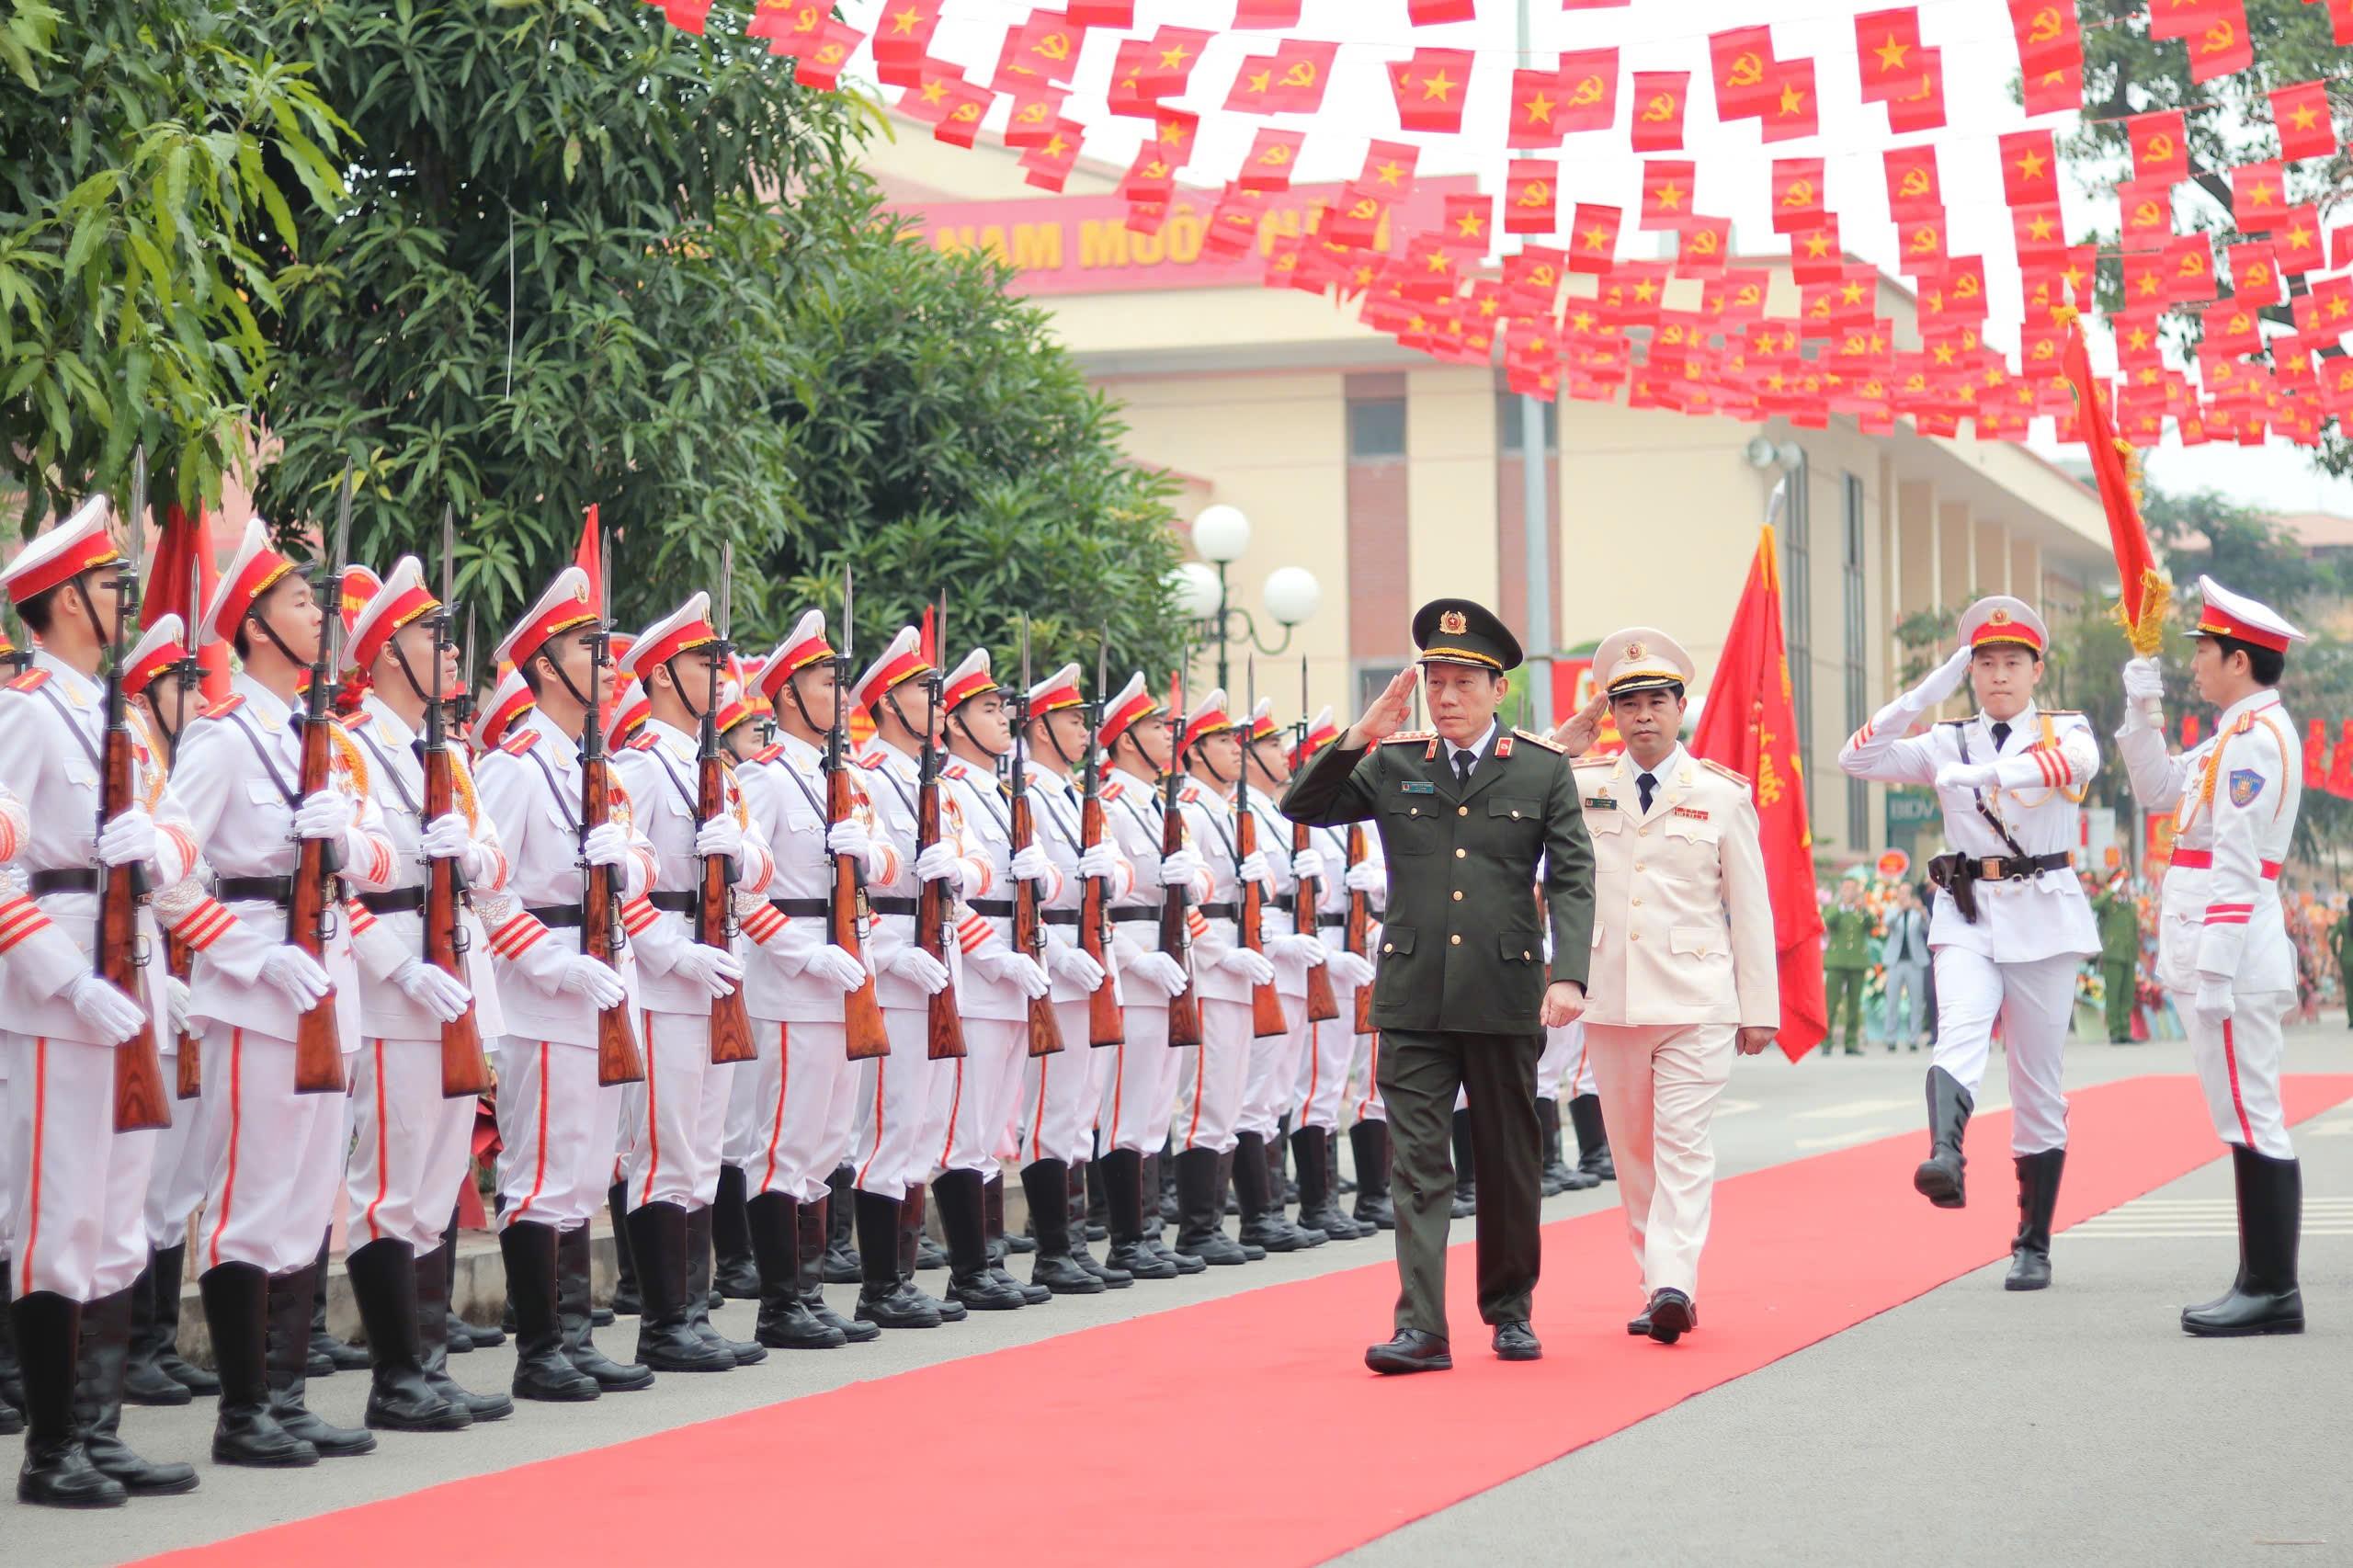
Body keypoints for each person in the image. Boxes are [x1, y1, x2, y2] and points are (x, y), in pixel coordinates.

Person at [1282, 598, 1594, 1373]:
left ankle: (1510, 1311)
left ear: (1497, 689)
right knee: (1418, 1166)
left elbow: (1572, 878)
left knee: (1507, 1160)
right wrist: (1362, 734)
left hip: (1503, 992)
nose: (1446, 698)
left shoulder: (1541, 767)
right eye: (1435, 682)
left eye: (1462, 682)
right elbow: (1304, 805)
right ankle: (1421, 1327)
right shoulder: (1396, 761)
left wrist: (1569, 975)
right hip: (1415, 993)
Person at [176, 517, 398, 1464]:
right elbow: (167, 875)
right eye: (304, 603)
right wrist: (248, 954)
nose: (322, 617)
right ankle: (243, 1411)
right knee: (251, 1198)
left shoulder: (331, 741)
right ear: (257, 626)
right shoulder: (222, 740)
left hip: (329, 985)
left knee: (310, 1201)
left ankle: (288, 1394)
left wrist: (342, 840)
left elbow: (389, 857)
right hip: (256, 991)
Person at [0, 501, 202, 1504]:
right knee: (60, 1216)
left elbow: (185, 837)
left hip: (137, 980)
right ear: (68, 600)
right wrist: (65, 979)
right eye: (111, 584)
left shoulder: (120, 719)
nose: (126, 598)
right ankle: (51, 1449)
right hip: (61, 1001)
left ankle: (99, 1427)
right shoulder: (28, 711)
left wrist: (155, 845)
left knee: (120, 1217)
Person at [1838, 595, 2099, 1293]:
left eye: (2013, 662)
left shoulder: (2066, 727)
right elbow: (1855, 758)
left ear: (2036, 669)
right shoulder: (1946, 738)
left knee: (2036, 1085)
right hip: (1969, 912)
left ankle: (2033, 1242)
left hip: (2045, 916)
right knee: (1957, 1027)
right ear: (1970, 672)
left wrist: (1985, 775)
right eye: (1984, 664)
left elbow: (2075, 764)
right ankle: (1946, 1155)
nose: (1999, 675)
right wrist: (1922, 696)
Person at [336, 558, 514, 1428]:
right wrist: (396, 968)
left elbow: (497, 862)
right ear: (384, 654)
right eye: (429, 637)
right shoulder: (348, 748)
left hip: (458, 976)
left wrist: (468, 854)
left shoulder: (446, 753)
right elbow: (334, 882)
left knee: (441, 1177)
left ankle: (431, 1363)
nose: (450, 651)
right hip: (395, 982)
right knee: (391, 1183)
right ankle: (396, 1376)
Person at [1560, 629, 1777, 1344]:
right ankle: (1654, 1282)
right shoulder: (1581, 785)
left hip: (1696, 1000)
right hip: (1612, 998)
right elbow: (1511, 790)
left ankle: (1674, 1283)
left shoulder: (1720, 794)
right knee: (1634, 1156)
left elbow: (1749, 907)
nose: (1644, 716)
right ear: (1613, 715)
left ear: (1682, 707)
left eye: (1657, 701)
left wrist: (1759, 1008)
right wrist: (1561, 745)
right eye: (1629, 705)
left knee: (1683, 1145)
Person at [473, 567, 658, 1399]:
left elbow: (644, 863)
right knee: (540, 1169)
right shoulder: (515, 768)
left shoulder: (601, 766)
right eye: (593, 651)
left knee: (587, 1169)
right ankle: (541, 1348)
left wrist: (630, 863)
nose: (611, 666)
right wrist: (549, 962)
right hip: (546, 989)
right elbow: (487, 886)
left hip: (606, 984)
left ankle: (576, 1337)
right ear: (546, 665)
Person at [2115, 576, 2309, 1336]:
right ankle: (2259, 1281)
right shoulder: (2231, 737)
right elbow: (2158, 788)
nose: (2193, 662)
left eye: (2203, 650)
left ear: (2239, 660)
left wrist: (2217, 971)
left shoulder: (2254, 742)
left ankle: (2272, 1288)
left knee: (2254, 1118)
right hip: (2218, 949)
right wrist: (2140, 709)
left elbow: (2236, 863)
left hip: (2231, 955)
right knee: (2244, 1118)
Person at [609, 595, 776, 1371]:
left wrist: (738, 850)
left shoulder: (720, 772)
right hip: (666, 977)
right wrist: (670, 954)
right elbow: (615, 880)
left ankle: (694, 1311)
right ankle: (663, 1322)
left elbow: (763, 869)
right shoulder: (639, 767)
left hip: (719, 970)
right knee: (665, 1145)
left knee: (703, 1148)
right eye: (703, 662)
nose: (721, 674)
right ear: (662, 676)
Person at [727, 611, 881, 1349]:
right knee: (783, 1142)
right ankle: (780, 1302)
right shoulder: (761, 779)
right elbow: (740, 892)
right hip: (793, 982)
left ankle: (810, 1292)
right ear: (788, 694)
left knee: (825, 1141)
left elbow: (886, 866)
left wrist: (870, 853)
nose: (842, 697)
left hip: (848, 976)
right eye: (828, 683)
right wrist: (802, 954)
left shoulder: (842, 776)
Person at [846, 626, 983, 1329]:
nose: (938, 703)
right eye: (924, 692)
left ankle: (901, 1275)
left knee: (922, 1126)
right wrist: (890, 953)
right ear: (888, 703)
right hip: (895, 963)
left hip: (941, 960)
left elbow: (980, 864)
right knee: (889, 1123)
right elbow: (846, 886)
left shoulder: (941, 784)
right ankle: (880, 1285)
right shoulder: (862, 777)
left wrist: (961, 870)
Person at [1016, 663, 1141, 1288]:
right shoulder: (1024, 792)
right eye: (1073, 721)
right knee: (1050, 1109)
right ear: (1041, 728)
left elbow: (1123, 875)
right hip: (1055, 957)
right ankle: (1052, 1249)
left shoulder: (1074, 793)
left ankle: (1072, 1243)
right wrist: (1059, 951)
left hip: (1096, 956)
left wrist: (1111, 870)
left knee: (1079, 1108)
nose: (1087, 734)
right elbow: (1023, 891)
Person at [1092, 672, 1209, 1279]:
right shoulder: (1106, 804)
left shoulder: (1166, 806)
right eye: (1155, 727)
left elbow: (1203, 880)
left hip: (1174, 958)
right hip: (1135, 965)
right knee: (1125, 1105)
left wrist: (1193, 878)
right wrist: (1136, 958)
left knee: (1158, 1104)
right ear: (1125, 739)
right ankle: (1126, 1238)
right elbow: (1096, 904)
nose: (1168, 735)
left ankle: (1149, 1230)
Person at [1285, 708, 1383, 1239]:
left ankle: (1369, 1193)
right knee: (1317, 1083)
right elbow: (1302, 906)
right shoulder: (1305, 820)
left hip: (1365, 953)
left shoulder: (1364, 822)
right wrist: (1328, 954)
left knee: (1364, 1080)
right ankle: (1316, 1203)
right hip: (1323, 959)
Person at [1820, 880, 1872, 1057]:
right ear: (1841, 891)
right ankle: (1826, 1041)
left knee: (1854, 1004)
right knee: (1831, 1003)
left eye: (1852, 889)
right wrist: (1842, 906)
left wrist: (1864, 908)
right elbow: (1826, 922)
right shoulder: (1835, 909)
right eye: (1846, 889)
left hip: (1857, 962)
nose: (1849, 892)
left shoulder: (1861, 911)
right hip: (1837, 961)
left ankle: (1851, 1042)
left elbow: (1872, 925)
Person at [1880, 881, 1931, 1052]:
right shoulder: (1892, 910)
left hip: (1914, 962)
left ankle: (1913, 1038)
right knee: (1892, 1001)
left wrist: (1922, 913)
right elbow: (1888, 925)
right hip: (1895, 961)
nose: (1904, 896)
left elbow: (1928, 928)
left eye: (1907, 893)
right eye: (1902, 893)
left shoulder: (1918, 911)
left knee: (1916, 1002)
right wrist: (1901, 910)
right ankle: (1890, 1038)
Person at [2092, 872, 2142, 1045]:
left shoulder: (2130, 906)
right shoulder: (2109, 903)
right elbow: (2094, 905)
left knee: (2127, 995)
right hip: (2113, 955)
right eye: (2123, 883)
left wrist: (2136, 955)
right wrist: (2111, 891)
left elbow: (2134, 932)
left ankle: (2125, 1031)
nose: (2127, 886)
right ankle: (2114, 1031)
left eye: (2127, 883)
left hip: (2129, 955)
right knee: (2113, 995)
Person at [2329, 897, 2353, 1031]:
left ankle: (2352, 1020)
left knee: (2349, 990)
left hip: (2346, 960)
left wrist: (2335, 953)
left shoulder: (2343, 921)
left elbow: (2332, 938)